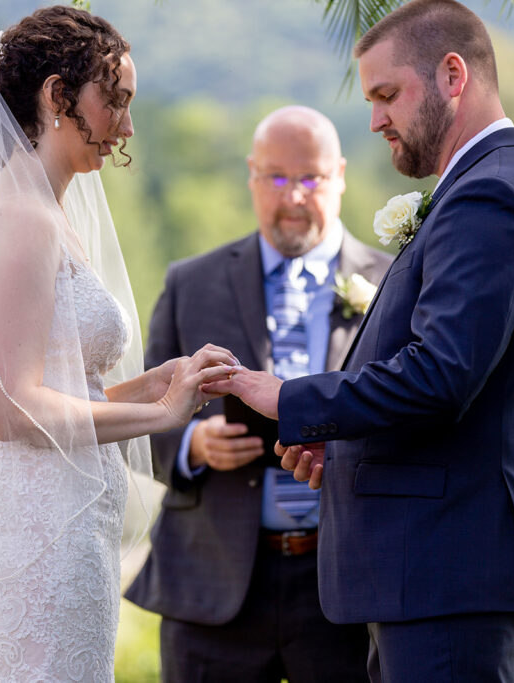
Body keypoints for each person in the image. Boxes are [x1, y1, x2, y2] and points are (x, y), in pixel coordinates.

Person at [212, 1, 514, 680]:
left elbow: (440, 374)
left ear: (453, 75)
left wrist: (292, 397)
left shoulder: (489, 196)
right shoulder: (481, 185)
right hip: (432, 575)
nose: (375, 117)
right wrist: (344, 439)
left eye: (387, 95)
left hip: (446, 573)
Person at [0, 7, 235, 681]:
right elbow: (12, 406)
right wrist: (163, 416)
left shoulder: (40, 210)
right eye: (117, 102)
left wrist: (161, 380)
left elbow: (61, 387)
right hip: (37, 534)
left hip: (60, 524)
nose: (127, 127)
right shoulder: (22, 217)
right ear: (56, 96)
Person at [125, 105, 390, 682]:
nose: (293, 197)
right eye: (275, 178)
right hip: (213, 582)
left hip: (346, 584)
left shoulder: (393, 281)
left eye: (310, 179)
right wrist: (194, 445)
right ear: (251, 175)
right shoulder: (190, 284)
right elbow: (138, 421)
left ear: (340, 175)